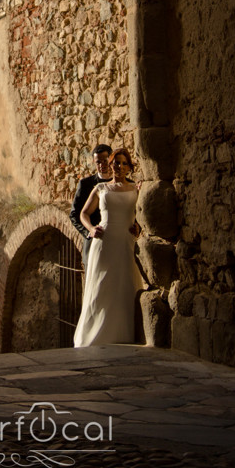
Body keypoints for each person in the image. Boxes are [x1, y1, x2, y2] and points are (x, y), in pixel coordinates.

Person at [73, 147, 143, 347]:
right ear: (111, 165)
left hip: (126, 242)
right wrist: (91, 229)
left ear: (129, 167)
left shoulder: (136, 189)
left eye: (124, 163)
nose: (119, 166)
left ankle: (125, 334)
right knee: (101, 289)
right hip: (104, 243)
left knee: (126, 286)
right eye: (116, 162)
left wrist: (138, 226)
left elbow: (141, 215)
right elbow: (83, 213)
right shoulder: (100, 188)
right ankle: (95, 336)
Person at [69, 144, 112, 268]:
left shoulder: (125, 183)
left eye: (105, 161)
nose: (101, 165)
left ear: (111, 159)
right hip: (94, 240)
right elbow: (74, 215)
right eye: (98, 162)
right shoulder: (86, 184)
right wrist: (89, 231)